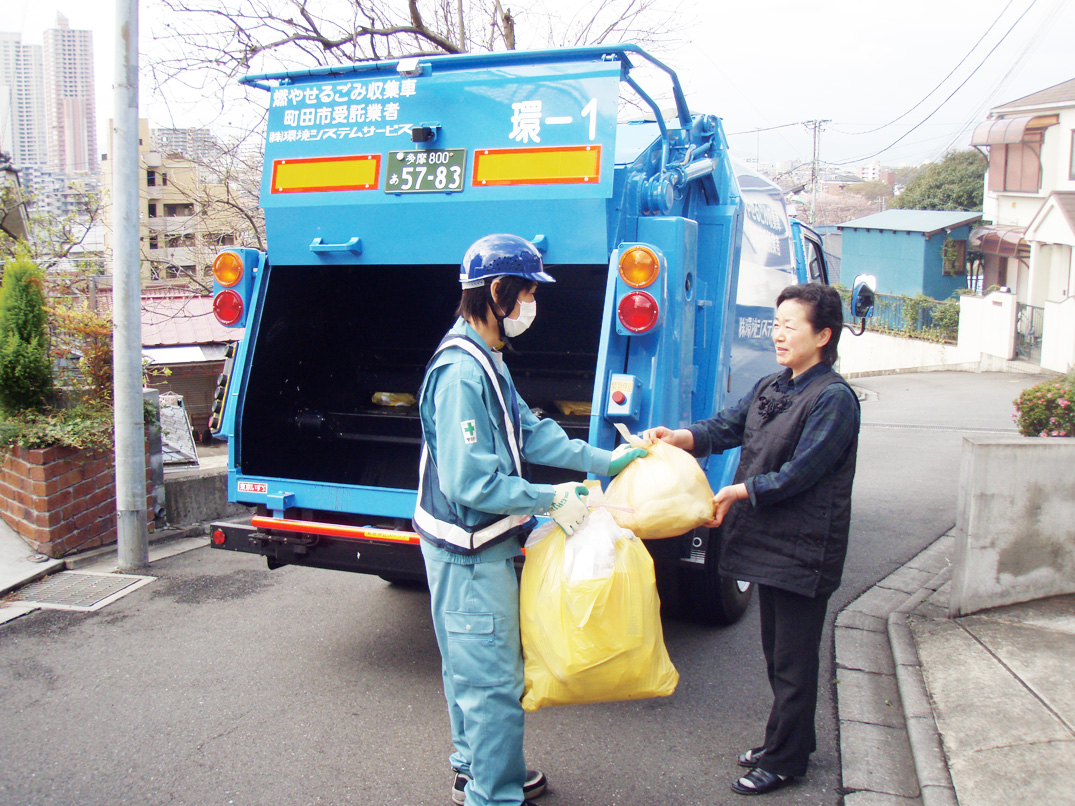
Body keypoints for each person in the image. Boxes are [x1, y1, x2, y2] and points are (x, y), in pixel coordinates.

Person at [414, 233, 647, 806]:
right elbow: (471, 483)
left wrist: (603, 460)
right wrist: (551, 500)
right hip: (467, 552)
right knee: (492, 682)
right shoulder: (462, 372)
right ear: (497, 292)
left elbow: (532, 430)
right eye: (525, 294)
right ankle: (492, 794)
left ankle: (478, 768)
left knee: (471, 671)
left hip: (464, 546)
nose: (529, 306)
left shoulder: (483, 356)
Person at [643, 282, 860, 796]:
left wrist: (739, 490)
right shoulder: (772, 386)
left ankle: (786, 761)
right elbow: (725, 427)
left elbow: (800, 474)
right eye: (776, 323)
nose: (778, 335)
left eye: (791, 326)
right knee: (776, 653)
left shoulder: (834, 400)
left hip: (805, 548)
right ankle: (786, 743)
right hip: (770, 542)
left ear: (823, 335)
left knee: (794, 659)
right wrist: (680, 437)